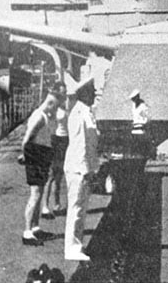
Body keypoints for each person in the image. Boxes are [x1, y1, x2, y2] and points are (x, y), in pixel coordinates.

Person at [64, 76, 99, 261]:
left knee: (81, 208)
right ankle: (71, 249)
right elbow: (81, 144)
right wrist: (86, 171)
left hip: (83, 167)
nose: (95, 93)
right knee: (76, 208)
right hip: (78, 168)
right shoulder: (78, 113)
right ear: (84, 93)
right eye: (92, 91)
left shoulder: (86, 111)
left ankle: (76, 245)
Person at [20, 89, 60, 246]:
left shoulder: (43, 116)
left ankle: (35, 228)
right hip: (36, 155)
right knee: (35, 194)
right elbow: (27, 138)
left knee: (40, 191)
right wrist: (25, 156)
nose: (55, 110)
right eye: (55, 107)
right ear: (49, 103)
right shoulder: (39, 117)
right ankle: (27, 232)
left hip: (42, 154)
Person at [41, 82, 68, 218]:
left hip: (65, 141)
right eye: (62, 92)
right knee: (51, 175)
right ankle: (45, 207)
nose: (64, 94)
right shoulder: (54, 107)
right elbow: (48, 124)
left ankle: (57, 205)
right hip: (55, 140)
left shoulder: (67, 105)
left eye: (65, 91)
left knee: (59, 175)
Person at [128, 89, 151, 157]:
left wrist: (143, 123)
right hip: (134, 129)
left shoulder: (143, 106)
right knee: (134, 148)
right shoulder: (133, 105)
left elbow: (147, 118)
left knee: (140, 147)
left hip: (140, 130)